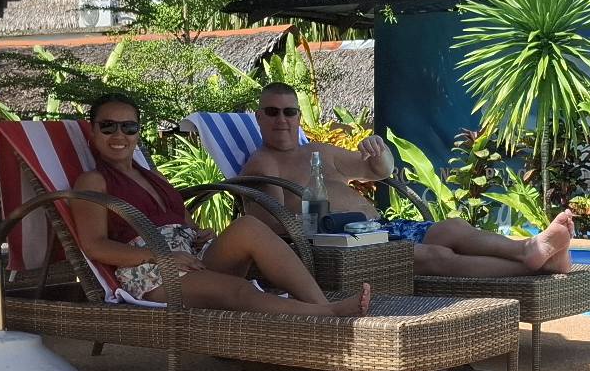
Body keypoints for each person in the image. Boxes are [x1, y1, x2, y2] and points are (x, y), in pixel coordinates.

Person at [69, 95, 370, 316]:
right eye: (108, 127)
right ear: (93, 132)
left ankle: (320, 305)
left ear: (138, 131)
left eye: (128, 127)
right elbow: (95, 246)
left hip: (189, 257)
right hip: (151, 273)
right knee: (239, 290)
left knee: (249, 226)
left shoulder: (153, 176)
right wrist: (161, 256)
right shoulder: (93, 181)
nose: (119, 135)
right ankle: (327, 315)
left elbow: (180, 218)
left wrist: (198, 232)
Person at [240, 83, 575, 277]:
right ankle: (537, 265)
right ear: (259, 117)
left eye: (289, 112)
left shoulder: (319, 151)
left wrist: (379, 151)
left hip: (380, 228)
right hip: (345, 246)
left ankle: (528, 249)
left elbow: (379, 171)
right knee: (436, 256)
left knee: (453, 228)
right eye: (272, 112)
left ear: (299, 116)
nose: (282, 119)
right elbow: (271, 223)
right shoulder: (263, 163)